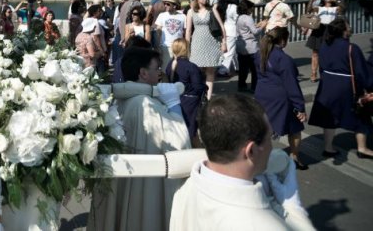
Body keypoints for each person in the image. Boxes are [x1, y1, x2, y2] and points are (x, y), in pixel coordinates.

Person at [170, 94, 314, 231]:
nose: (272, 146)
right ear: (250, 151)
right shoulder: (263, 226)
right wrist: (293, 210)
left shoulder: (184, 188)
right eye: (269, 138)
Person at [88, 47, 190, 231]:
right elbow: (179, 143)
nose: (160, 74)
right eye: (156, 69)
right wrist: (174, 105)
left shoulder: (118, 100)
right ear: (143, 73)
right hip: (144, 187)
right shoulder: (147, 104)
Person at [308, 17, 373, 159]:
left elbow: (322, 66)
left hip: (327, 84)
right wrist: (369, 86)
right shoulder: (352, 48)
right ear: (343, 30)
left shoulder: (324, 45)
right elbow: (362, 72)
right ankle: (362, 148)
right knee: (361, 114)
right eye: (348, 26)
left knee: (329, 116)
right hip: (346, 85)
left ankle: (328, 147)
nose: (350, 28)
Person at [255, 27, 308, 170]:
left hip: (262, 93)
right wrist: (300, 107)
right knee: (295, 127)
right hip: (280, 97)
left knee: (263, 127)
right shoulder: (284, 59)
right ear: (283, 40)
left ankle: (258, 155)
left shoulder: (259, 54)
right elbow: (291, 85)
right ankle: (294, 157)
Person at [186, 0, 226, 99]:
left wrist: (224, 42)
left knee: (210, 71)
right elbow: (188, 30)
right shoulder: (191, 11)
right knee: (196, 69)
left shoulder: (212, 10)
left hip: (211, 42)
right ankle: (198, 94)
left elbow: (222, 26)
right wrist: (187, 46)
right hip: (197, 42)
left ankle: (208, 97)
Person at [166, 38, 207, 143]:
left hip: (174, 100)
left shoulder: (169, 65)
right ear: (186, 50)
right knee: (190, 131)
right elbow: (197, 88)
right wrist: (205, 86)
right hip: (190, 102)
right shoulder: (191, 67)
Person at [304, 0, 339, 83]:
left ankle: (327, 73)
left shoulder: (335, 8)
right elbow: (309, 10)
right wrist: (312, 0)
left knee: (329, 52)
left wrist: (337, 1)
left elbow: (343, 8)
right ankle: (313, 73)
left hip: (330, 30)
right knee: (315, 53)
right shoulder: (319, 8)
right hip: (319, 29)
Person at [153, 0, 186, 70]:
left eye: (168, 4)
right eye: (165, 3)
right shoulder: (162, 15)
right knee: (165, 70)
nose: (165, 5)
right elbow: (158, 32)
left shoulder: (183, 16)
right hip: (165, 47)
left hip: (179, 47)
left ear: (174, 6)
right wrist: (158, 46)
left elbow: (185, 32)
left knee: (178, 69)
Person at [235, 0, 261, 92]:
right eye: (252, 8)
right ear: (248, 8)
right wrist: (262, 26)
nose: (252, 10)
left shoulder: (239, 17)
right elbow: (255, 32)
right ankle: (254, 87)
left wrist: (256, 26)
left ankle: (241, 85)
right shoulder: (248, 18)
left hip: (240, 45)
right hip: (250, 46)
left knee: (243, 68)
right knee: (254, 69)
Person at [216, 0, 239, 77]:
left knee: (224, 51)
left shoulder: (220, 7)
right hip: (231, 30)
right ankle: (223, 70)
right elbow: (237, 18)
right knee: (229, 52)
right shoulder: (233, 7)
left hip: (222, 29)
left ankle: (222, 67)